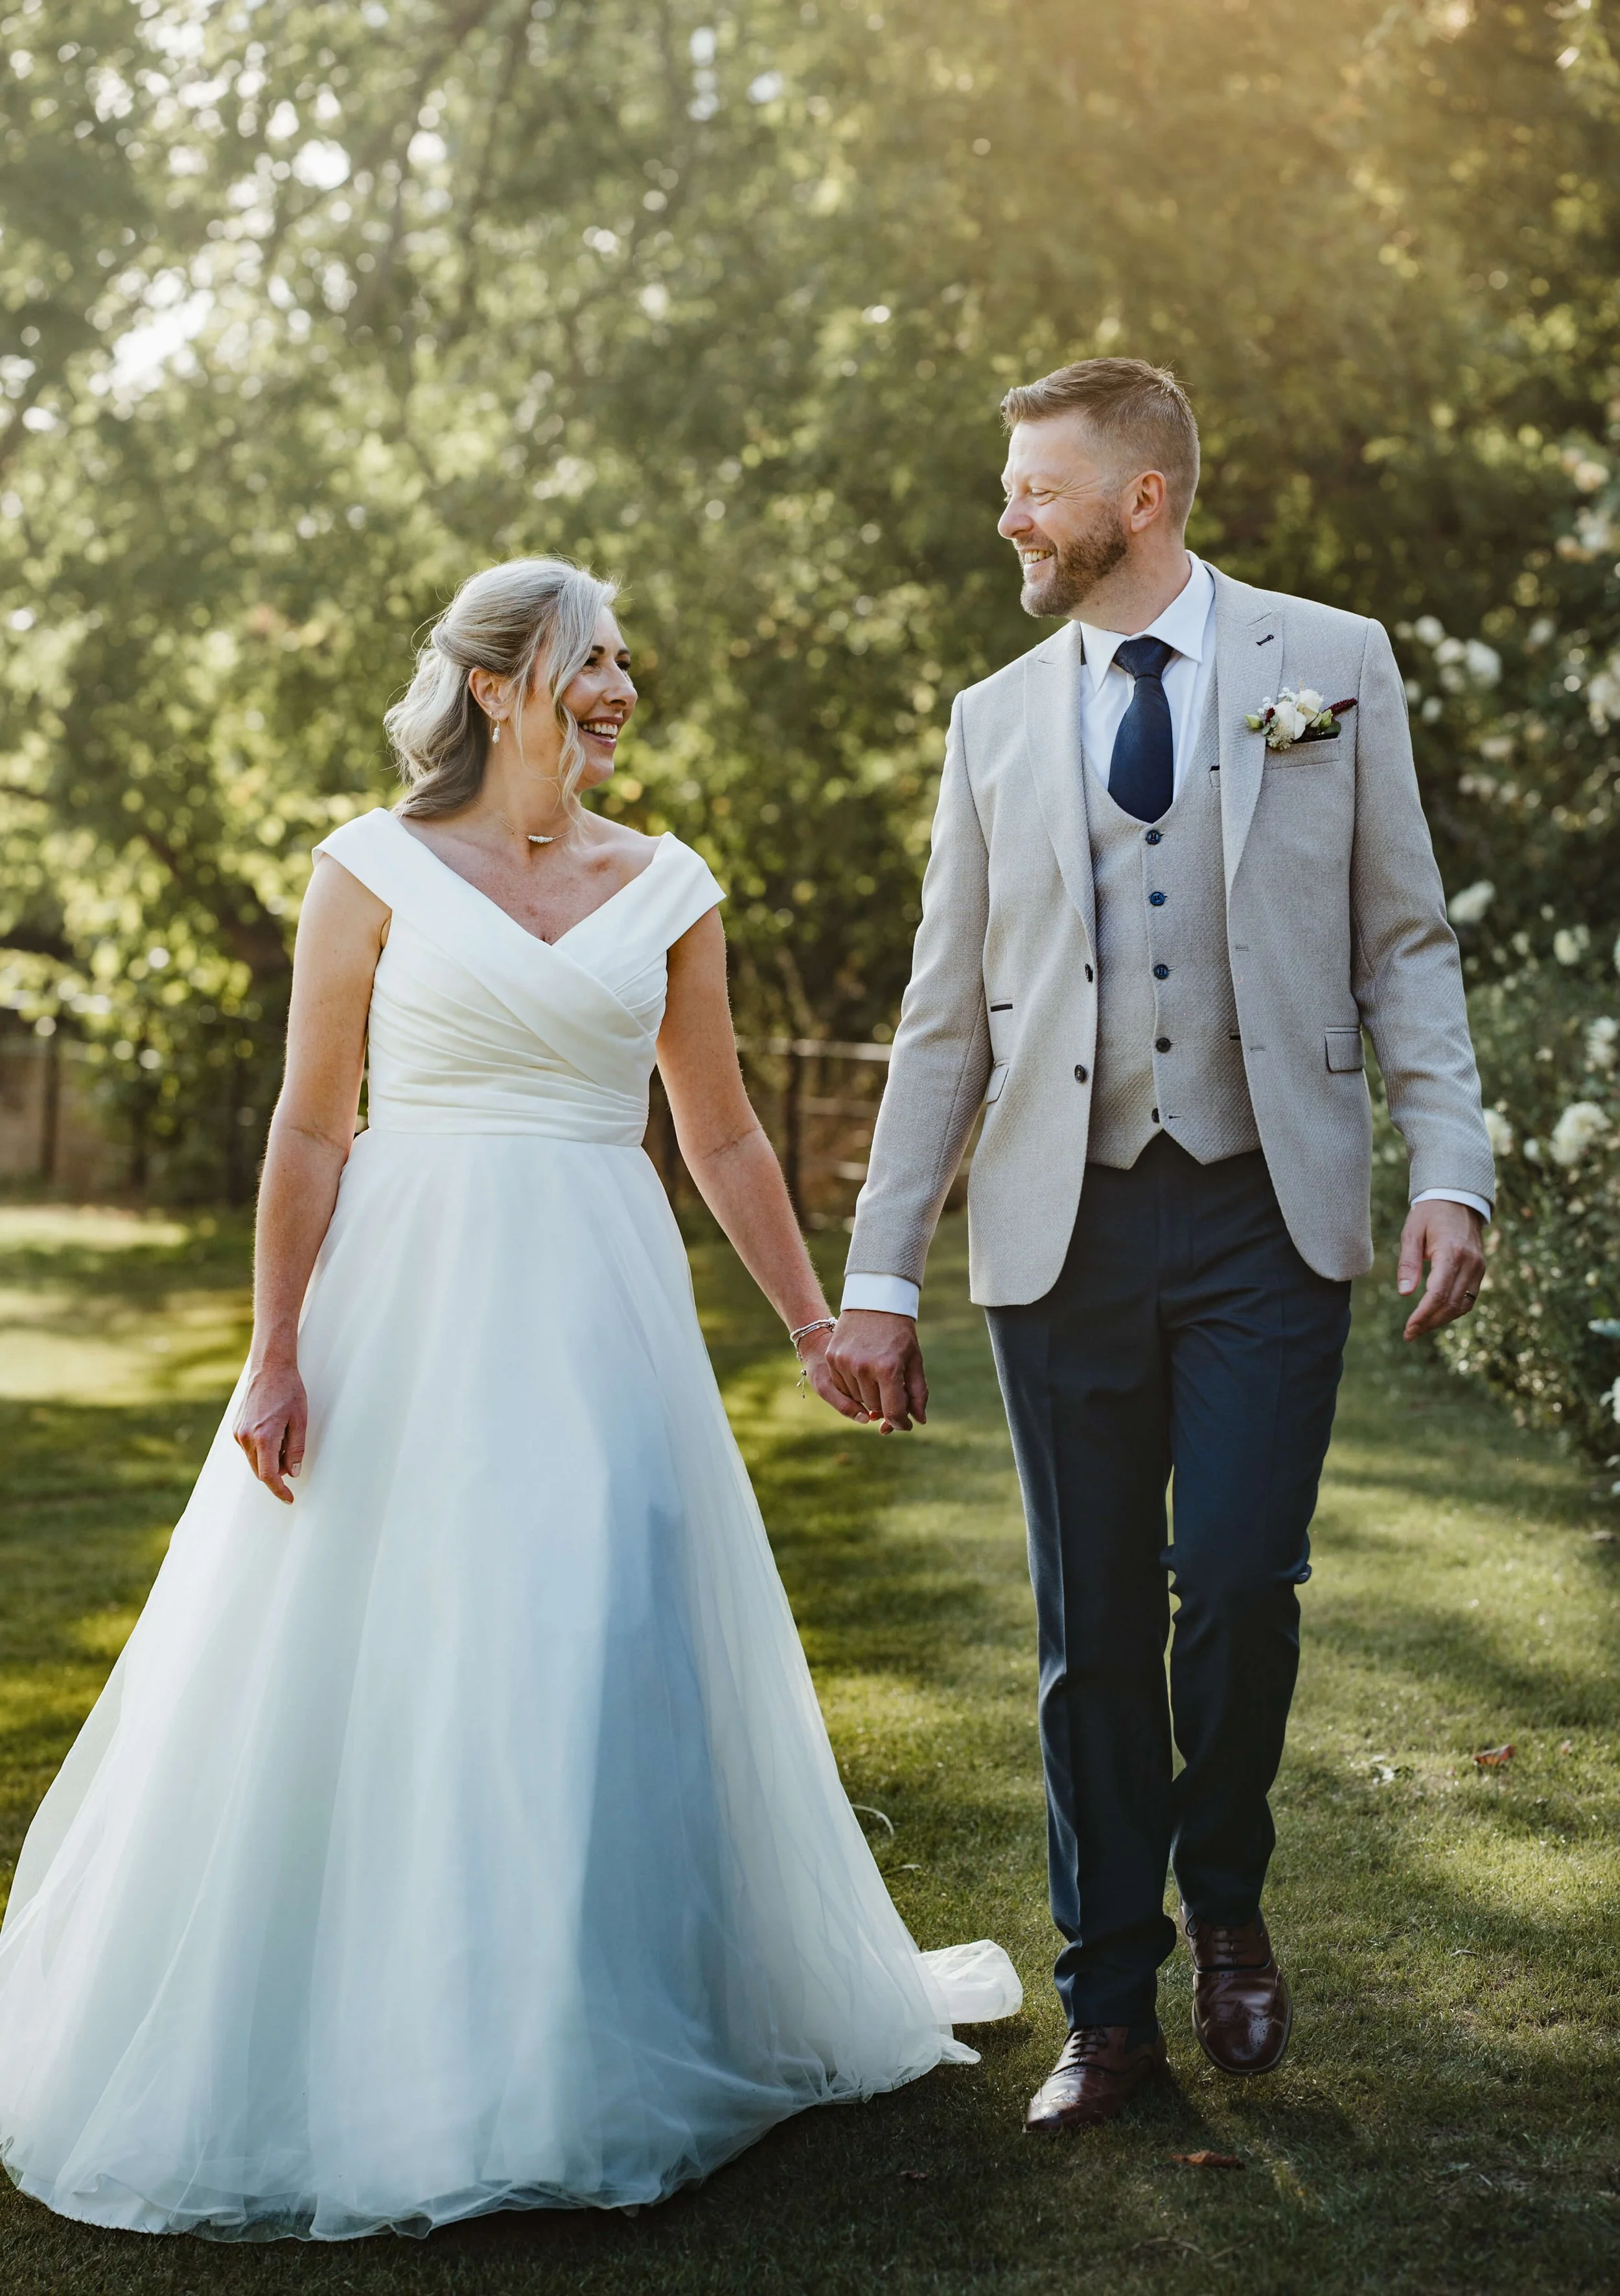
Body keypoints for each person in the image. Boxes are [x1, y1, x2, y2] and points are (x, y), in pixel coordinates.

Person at [0, 557, 1018, 2240]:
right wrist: (274, 1347)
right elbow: (313, 1124)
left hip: (600, 1302)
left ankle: (582, 2042)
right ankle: (402, 2046)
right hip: (407, 1297)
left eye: (626, 657)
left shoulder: (669, 884)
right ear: (496, 686)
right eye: (588, 659)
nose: (621, 684)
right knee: (402, 1644)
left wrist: (813, 1320)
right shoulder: (369, 867)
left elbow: (722, 1134)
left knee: (590, 1630)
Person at [824, 359, 1493, 2133]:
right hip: (1062, 1223)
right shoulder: (987, 720)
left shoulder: (1326, 663)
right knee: (1087, 1629)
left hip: (1268, 1210)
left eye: (1035, 489)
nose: (1008, 518)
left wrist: (1452, 1163)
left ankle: (1230, 1906)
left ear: (1142, 499)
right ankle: (1104, 2002)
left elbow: (1402, 938)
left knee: (1246, 1591)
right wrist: (879, 1270)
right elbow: (945, 1017)